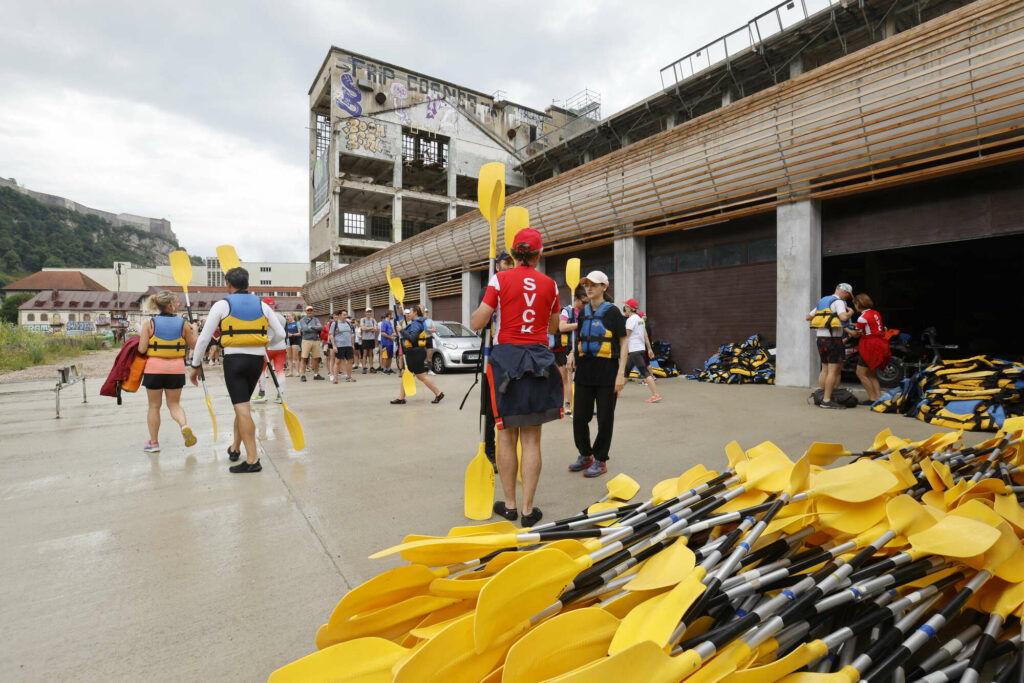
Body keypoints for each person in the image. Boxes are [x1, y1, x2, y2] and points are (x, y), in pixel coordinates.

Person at [471, 228, 562, 527]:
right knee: (532, 438)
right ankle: (527, 510)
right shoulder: (551, 285)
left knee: (506, 436)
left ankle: (509, 505)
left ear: (512, 253)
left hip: (506, 360)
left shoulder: (499, 279)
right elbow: (552, 329)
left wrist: (493, 305)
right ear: (539, 253)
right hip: (538, 359)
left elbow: (478, 321)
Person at [189, 267, 285, 473]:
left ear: (228, 284)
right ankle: (235, 447)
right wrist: (265, 344)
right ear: (248, 283)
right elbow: (281, 334)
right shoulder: (262, 305)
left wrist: (195, 365)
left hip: (235, 361)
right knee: (241, 407)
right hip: (257, 360)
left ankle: (252, 460)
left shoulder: (222, 305)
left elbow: (204, 338)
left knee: (242, 409)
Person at [569, 271, 628, 479]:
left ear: (604, 287)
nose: (589, 288)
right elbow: (580, 338)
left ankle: (601, 459)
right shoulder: (583, 312)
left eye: (594, 284)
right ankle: (586, 454)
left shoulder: (613, 313)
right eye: (586, 285)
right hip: (584, 371)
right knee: (579, 418)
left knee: (605, 418)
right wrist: (572, 354)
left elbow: (623, 342)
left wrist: (621, 374)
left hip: (607, 372)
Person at [137, 291, 198, 453]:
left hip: (154, 369)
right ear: (170, 306)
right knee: (174, 405)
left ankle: (154, 443)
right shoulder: (183, 324)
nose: (179, 305)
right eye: (177, 302)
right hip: (176, 369)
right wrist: (195, 330)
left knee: (154, 406)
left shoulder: (149, 324)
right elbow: (194, 346)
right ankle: (184, 426)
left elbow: (142, 349)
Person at [482, 250, 516, 469]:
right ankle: (489, 452)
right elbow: (481, 318)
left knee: (510, 407)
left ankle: (509, 452)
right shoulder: (491, 287)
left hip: (513, 354)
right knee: (490, 407)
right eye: (506, 263)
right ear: (497, 266)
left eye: (512, 263)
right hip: (492, 354)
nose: (510, 266)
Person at [807, 283, 854, 409]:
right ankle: (827, 400)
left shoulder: (823, 301)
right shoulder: (839, 302)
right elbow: (844, 317)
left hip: (821, 339)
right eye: (848, 295)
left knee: (825, 368)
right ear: (844, 292)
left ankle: (822, 395)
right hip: (833, 340)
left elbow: (808, 317)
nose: (847, 298)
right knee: (833, 371)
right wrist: (851, 312)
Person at [391, 305, 444, 404]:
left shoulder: (416, 324)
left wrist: (401, 331)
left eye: (410, 312)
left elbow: (412, 338)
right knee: (407, 374)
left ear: (415, 313)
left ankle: (438, 393)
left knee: (421, 376)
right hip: (415, 352)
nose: (408, 314)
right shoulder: (418, 322)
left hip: (415, 353)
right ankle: (401, 397)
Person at [850, 293, 890, 403]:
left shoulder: (862, 318)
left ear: (858, 304)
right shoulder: (875, 313)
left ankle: (872, 398)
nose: (854, 306)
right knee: (871, 373)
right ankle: (878, 397)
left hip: (869, 346)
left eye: (855, 304)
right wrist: (855, 325)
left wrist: (844, 328)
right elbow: (870, 326)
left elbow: (856, 334)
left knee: (861, 373)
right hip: (879, 344)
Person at [622, 298, 661, 403]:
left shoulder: (630, 320)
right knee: (626, 372)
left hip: (634, 350)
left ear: (630, 308)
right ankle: (616, 391)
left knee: (645, 372)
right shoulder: (640, 319)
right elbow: (646, 336)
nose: (625, 308)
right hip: (639, 349)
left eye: (626, 306)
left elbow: (626, 336)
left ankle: (656, 395)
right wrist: (649, 349)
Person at [556, 288, 586, 417]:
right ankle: (568, 404)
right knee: (568, 378)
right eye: (583, 302)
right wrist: (578, 324)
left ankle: (577, 405)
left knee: (579, 379)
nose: (585, 305)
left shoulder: (585, 311)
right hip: (569, 349)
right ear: (576, 299)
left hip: (583, 347)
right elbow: (562, 326)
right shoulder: (567, 311)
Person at [254, 297, 287, 403]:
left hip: (267, 347)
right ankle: (280, 395)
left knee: (261, 370)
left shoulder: (262, 317)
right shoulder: (281, 317)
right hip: (281, 346)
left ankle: (262, 394)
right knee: (280, 370)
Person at [298, 305, 324, 381]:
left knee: (316, 358)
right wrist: (315, 327)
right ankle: (302, 375)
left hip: (316, 340)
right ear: (306, 311)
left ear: (313, 311)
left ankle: (316, 374)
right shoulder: (302, 320)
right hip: (306, 340)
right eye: (308, 310)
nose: (309, 312)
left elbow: (320, 328)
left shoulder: (316, 319)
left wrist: (311, 327)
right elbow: (305, 329)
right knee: (304, 358)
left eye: (311, 310)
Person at [329, 310, 356, 382]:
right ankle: (335, 378)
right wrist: (334, 346)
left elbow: (352, 334)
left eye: (346, 315)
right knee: (338, 361)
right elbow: (331, 335)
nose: (345, 316)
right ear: (339, 315)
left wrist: (352, 344)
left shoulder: (348, 323)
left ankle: (349, 376)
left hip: (349, 345)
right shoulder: (335, 324)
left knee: (350, 360)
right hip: (339, 346)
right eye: (344, 315)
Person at [359, 308, 378, 374]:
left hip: (371, 339)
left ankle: (371, 367)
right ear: (365, 313)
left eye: (369, 312)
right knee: (364, 353)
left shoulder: (373, 320)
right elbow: (363, 329)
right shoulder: (362, 319)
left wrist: (367, 329)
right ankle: (364, 367)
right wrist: (371, 328)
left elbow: (376, 329)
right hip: (365, 339)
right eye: (367, 312)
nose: (368, 313)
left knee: (370, 353)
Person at [422, 308, 437, 374]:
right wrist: (430, 330)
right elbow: (421, 329)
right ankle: (421, 370)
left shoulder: (430, 320)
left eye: (427, 312)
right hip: (422, 339)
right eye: (425, 312)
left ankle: (430, 370)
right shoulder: (421, 320)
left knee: (429, 355)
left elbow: (434, 330)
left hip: (429, 338)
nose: (426, 313)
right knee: (421, 355)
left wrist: (427, 330)